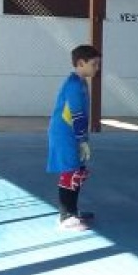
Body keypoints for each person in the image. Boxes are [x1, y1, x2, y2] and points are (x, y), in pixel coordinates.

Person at [46, 44, 101, 231]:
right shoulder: (73, 85)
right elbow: (77, 114)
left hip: (73, 134)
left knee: (78, 172)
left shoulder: (81, 83)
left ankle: (72, 210)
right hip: (64, 134)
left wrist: (82, 138)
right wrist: (82, 139)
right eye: (93, 64)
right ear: (80, 63)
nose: (97, 68)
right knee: (70, 172)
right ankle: (65, 216)